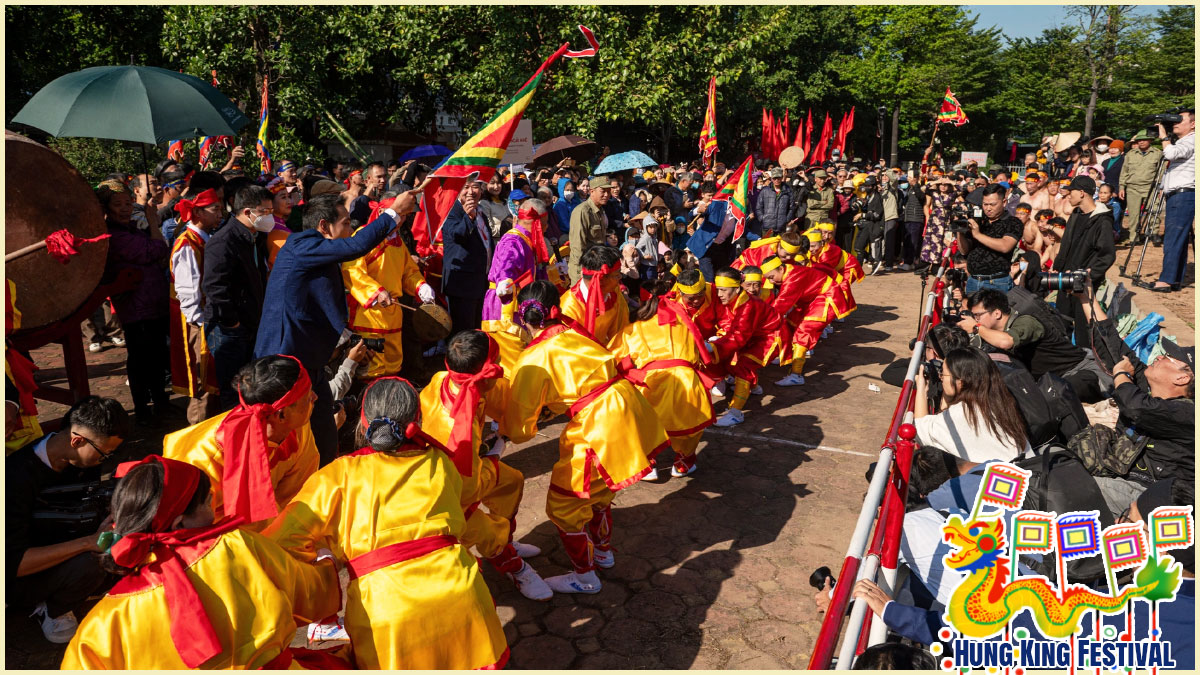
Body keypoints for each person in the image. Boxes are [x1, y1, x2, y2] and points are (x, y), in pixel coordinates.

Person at [265, 377, 510, 669]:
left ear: (364, 423)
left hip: (387, 614)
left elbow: (279, 546)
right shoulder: (441, 462)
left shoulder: (337, 475)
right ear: (418, 419)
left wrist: (327, 574)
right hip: (463, 597)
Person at [61, 456, 341, 669]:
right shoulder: (238, 546)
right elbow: (309, 592)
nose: (214, 513)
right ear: (179, 522)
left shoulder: (104, 623)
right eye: (208, 504)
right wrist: (329, 564)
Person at [500, 281, 669, 594]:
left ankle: (585, 576)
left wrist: (504, 432)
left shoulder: (533, 358)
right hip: (625, 403)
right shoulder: (573, 331)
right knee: (599, 490)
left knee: (566, 502)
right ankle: (602, 553)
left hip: (599, 422)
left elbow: (519, 427)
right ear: (556, 308)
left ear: (523, 319)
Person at [255, 191, 427, 465]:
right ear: (324, 226)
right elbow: (356, 247)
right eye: (346, 223)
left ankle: (324, 471)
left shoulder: (316, 252)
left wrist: (347, 339)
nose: (351, 229)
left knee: (321, 423)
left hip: (310, 359)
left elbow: (325, 302)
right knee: (286, 434)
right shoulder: (302, 246)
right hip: (284, 359)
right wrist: (393, 212)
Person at [416, 331, 552, 600]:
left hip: (465, 471)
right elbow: (468, 490)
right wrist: (493, 455)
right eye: (498, 364)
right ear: (483, 375)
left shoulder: (445, 378)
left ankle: (508, 541)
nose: (502, 370)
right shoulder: (458, 431)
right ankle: (514, 567)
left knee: (511, 481)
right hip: (445, 497)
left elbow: (502, 401)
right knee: (488, 532)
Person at [7, 396, 128, 644]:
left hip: (61, 540)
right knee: (95, 563)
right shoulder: (14, 478)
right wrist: (88, 542)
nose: (103, 462)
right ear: (77, 440)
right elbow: (14, 564)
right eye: (104, 455)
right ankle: (49, 608)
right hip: (16, 577)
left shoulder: (81, 456)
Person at [163, 354, 318, 531]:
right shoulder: (203, 459)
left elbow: (300, 491)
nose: (315, 397)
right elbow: (192, 527)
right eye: (307, 397)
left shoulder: (296, 427)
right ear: (281, 414)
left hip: (270, 528)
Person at [1075, 286, 1194, 515]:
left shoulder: (1189, 414)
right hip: (1121, 474)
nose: (1159, 355)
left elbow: (1136, 408)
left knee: (1066, 487)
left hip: (1147, 493)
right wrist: (1086, 295)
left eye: (1168, 357)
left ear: (1182, 377)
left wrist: (1121, 375)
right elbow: (1115, 349)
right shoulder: (1152, 389)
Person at [613, 279, 715, 476]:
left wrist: (631, 372)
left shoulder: (635, 328)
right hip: (687, 380)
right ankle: (683, 461)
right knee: (689, 427)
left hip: (652, 382)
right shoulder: (686, 323)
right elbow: (698, 352)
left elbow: (616, 358)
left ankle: (648, 464)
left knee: (644, 423)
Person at [95, 180, 173, 424]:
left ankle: (160, 401)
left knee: (158, 354)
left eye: (128, 203)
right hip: (136, 305)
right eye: (118, 204)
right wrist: (153, 222)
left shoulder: (132, 230)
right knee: (140, 356)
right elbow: (157, 250)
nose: (125, 208)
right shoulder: (114, 235)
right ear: (106, 208)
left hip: (154, 301)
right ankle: (142, 408)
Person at [340, 192, 436, 380]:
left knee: (393, 364)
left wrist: (420, 286)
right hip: (370, 313)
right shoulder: (365, 236)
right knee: (371, 366)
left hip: (394, 312)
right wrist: (376, 292)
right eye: (403, 214)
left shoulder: (397, 242)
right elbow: (352, 270)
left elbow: (409, 272)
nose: (405, 219)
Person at [958, 288, 1108, 403]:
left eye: (978, 316)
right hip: (1053, 379)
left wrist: (977, 328)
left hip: (1080, 370)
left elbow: (1006, 341)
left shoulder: (1026, 322)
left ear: (997, 313)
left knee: (1053, 398)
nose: (975, 320)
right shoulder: (994, 333)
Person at [203, 184, 272, 410]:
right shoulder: (223, 241)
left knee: (251, 385)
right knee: (233, 389)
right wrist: (232, 322)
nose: (269, 217)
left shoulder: (255, 236)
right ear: (247, 212)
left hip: (251, 322)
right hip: (228, 329)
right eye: (264, 212)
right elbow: (214, 287)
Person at [914, 347, 1032, 462]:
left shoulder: (964, 412)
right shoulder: (999, 401)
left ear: (960, 382)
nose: (940, 378)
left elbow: (920, 429)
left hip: (997, 478)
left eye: (943, 374)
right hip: (1022, 472)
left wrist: (921, 389)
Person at [168, 187, 223, 425]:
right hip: (196, 319)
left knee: (212, 378)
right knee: (201, 379)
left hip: (207, 315)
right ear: (198, 213)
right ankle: (196, 430)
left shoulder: (204, 237)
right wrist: (199, 320)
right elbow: (187, 289)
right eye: (215, 209)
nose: (220, 213)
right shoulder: (188, 243)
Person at [707, 267, 786, 427]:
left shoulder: (748, 305)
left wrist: (712, 346)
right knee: (736, 363)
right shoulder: (735, 299)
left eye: (723, 290)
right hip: (756, 336)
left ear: (736, 288)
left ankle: (736, 413)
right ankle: (753, 386)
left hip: (771, 336)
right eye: (718, 290)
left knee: (743, 366)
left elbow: (738, 336)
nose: (720, 294)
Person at [482, 198, 550, 371]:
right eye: (545, 223)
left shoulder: (527, 240)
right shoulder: (513, 240)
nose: (548, 228)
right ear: (537, 224)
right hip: (505, 307)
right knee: (511, 365)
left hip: (520, 305)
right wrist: (505, 280)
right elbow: (505, 267)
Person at [1052, 175, 1115, 346]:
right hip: (1065, 280)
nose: (1067, 196)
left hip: (1084, 285)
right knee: (1061, 324)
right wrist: (1057, 267)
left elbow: (1107, 255)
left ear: (1082, 193)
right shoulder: (1076, 214)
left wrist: (1088, 274)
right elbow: (1066, 244)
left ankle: (1087, 366)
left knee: (1084, 331)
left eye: (1070, 192)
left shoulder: (1102, 221)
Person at [1151, 109, 1195, 292]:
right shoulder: (1184, 141)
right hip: (1179, 193)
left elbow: (1171, 154)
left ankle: (1166, 280)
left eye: (1180, 120)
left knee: (1173, 237)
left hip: (1183, 194)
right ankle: (1175, 278)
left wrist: (1162, 135)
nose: (1175, 122)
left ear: (1193, 124)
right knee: (1180, 239)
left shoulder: (1192, 139)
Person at [560, 245, 630, 349]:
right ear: (600, 280)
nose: (620, 279)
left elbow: (621, 333)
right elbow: (571, 351)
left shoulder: (614, 292)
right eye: (617, 275)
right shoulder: (568, 309)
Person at [957, 184, 1023, 293]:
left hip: (996, 282)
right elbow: (964, 250)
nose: (988, 208)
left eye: (992, 204)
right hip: (973, 281)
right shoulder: (979, 221)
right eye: (985, 204)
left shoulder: (1013, 222)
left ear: (1004, 202)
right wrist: (960, 232)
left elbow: (1005, 246)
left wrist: (978, 234)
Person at [1119, 131, 1163, 245]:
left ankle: (1154, 233)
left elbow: (1162, 172)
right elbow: (1124, 172)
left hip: (1151, 187)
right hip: (1132, 187)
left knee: (1154, 211)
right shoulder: (1130, 154)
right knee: (1134, 214)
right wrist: (1121, 187)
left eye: (1144, 139)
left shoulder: (1158, 154)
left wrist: (1161, 187)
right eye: (1139, 140)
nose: (1141, 142)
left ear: (1150, 140)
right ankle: (1134, 237)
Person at [568, 175, 613, 283]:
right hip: (584, 270)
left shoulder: (600, 210)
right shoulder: (582, 211)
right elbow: (577, 247)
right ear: (592, 191)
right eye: (603, 191)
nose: (607, 195)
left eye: (608, 191)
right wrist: (581, 275)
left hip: (597, 267)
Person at [754, 168, 793, 237]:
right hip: (767, 228)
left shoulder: (788, 190)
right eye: (774, 178)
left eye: (778, 178)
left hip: (782, 228)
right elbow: (758, 207)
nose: (776, 180)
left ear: (781, 178)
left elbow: (791, 207)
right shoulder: (765, 191)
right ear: (771, 178)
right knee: (767, 247)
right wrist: (762, 218)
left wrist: (786, 220)